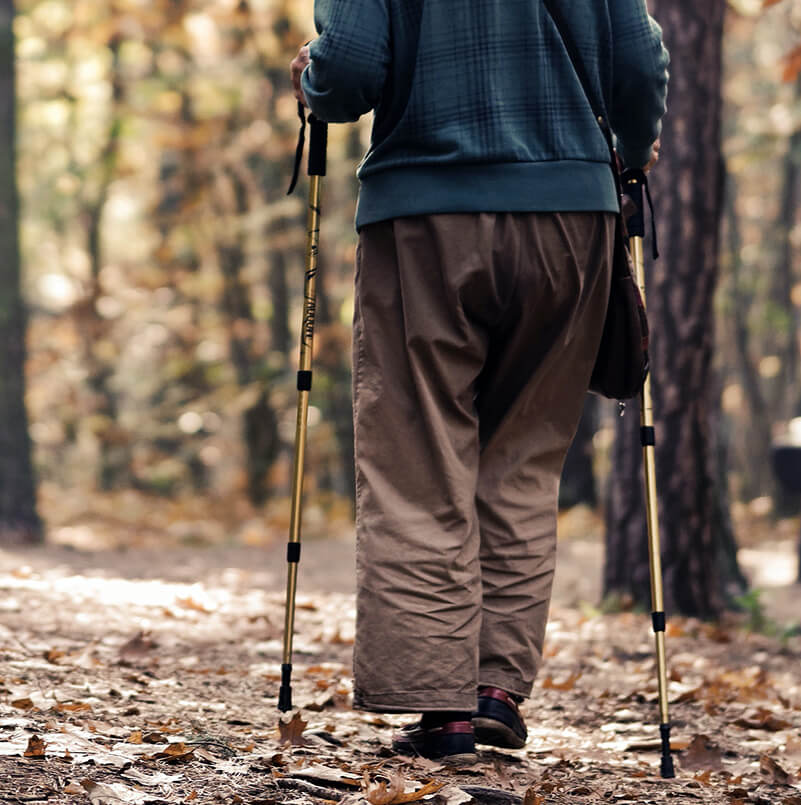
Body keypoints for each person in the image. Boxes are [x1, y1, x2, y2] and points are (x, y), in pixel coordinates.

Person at [289, 0, 669, 762]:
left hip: (427, 213)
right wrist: (629, 153)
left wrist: (313, 84)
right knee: (523, 461)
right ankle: (497, 691)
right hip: (573, 217)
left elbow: (352, 69)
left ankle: (441, 706)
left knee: (420, 459)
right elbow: (639, 65)